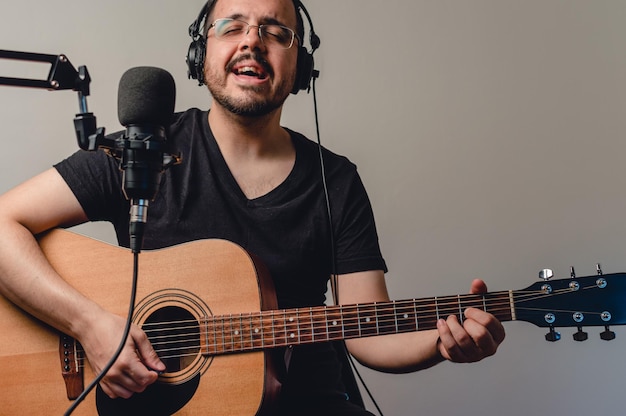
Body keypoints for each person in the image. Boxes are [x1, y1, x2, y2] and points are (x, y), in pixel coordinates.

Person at [0, 0, 505, 414]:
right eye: (231, 26)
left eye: (275, 31)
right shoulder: (140, 151)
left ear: (300, 66)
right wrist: (88, 324)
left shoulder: (336, 180)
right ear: (201, 53)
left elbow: (366, 328)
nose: (251, 41)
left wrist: (442, 344)